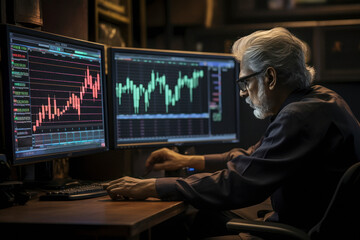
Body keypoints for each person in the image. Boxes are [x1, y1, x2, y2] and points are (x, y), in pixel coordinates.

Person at [105, 27, 360, 239]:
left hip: (300, 230)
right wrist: (189, 161)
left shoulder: (299, 116)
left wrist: (154, 186)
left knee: (192, 222)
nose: (242, 93)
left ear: (270, 77)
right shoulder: (320, 100)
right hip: (306, 221)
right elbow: (255, 157)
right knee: (207, 216)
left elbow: (238, 183)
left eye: (245, 82)